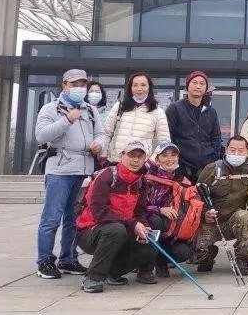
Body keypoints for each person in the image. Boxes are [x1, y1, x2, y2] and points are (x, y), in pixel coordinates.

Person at [34, 69, 105, 280]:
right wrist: (67, 120)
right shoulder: (51, 108)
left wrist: (99, 144)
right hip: (60, 170)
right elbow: (42, 135)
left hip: (84, 170)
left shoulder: (90, 110)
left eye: (82, 84)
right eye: (74, 84)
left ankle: (69, 258)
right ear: (64, 85)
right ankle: (45, 260)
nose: (79, 88)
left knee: (74, 218)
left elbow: (101, 133)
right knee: (52, 217)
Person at [76, 139, 156, 293]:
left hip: (122, 227)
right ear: (122, 155)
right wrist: (132, 224)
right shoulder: (107, 176)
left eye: (140, 156)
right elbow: (99, 211)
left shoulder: (141, 182)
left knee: (149, 241)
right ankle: (93, 277)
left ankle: (113, 273)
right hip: (91, 230)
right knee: (115, 230)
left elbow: (139, 212)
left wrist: (144, 227)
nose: (135, 160)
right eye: (131, 155)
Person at [194, 136, 248, 274]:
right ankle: (208, 254)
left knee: (245, 216)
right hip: (211, 222)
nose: (236, 154)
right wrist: (205, 213)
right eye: (233, 150)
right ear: (225, 150)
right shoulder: (211, 169)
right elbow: (195, 196)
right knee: (198, 257)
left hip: (235, 222)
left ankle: (242, 257)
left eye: (241, 150)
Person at [142, 141, 193, 278]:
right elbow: (140, 206)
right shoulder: (147, 178)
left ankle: (163, 261)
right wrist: (160, 210)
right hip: (150, 221)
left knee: (184, 252)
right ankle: (146, 267)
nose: (169, 159)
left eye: (173, 155)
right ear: (157, 158)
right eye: (164, 155)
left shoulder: (183, 179)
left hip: (173, 225)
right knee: (157, 222)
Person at [166, 71, 223, 180]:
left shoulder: (211, 112)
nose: (198, 86)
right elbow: (168, 137)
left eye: (202, 84)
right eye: (194, 82)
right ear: (187, 86)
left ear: (206, 88)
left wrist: (213, 160)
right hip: (182, 168)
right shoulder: (175, 108)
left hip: (206, 169)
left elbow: (216, 137)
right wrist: (176, 164)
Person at [103, 72, 170, 164]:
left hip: (141, 164)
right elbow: (107, 132)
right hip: (117, 161)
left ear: (149, 87)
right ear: (130, 88)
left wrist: (151, 161)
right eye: (135, 85)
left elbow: (164, 142)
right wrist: (104, 154)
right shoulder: (120, 106)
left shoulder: (158, 111)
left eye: (143, 85)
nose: (139, 89)